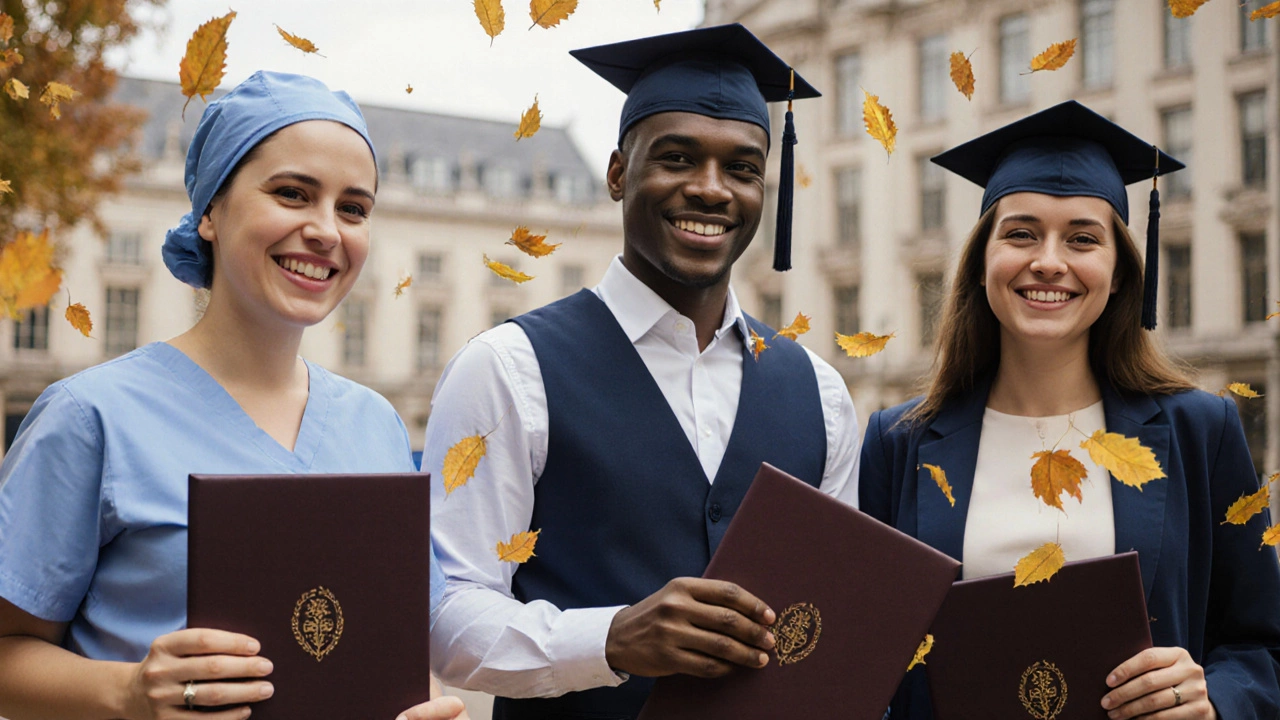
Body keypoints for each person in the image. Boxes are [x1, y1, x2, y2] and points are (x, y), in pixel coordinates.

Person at [425, 23, 861, 720]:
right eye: (678, 158)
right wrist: (610, 639)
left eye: (743, 168)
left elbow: (833, 611)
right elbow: (446, 612)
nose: (712, 190)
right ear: (619, 174)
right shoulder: (508, 370)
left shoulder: (821, 393)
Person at [0, 71, 464, 720]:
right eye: (293, 194)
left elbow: (392, 655)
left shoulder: (376, 426)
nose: (326, 230)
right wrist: (127, 694)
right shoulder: (91, 416)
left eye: (353, 208)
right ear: (210, 212)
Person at [859, 101, 1280, 719]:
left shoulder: (1200, 430)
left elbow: (1263, 645)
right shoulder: (899, 441)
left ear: (1118, 273)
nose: (1049, 260)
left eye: (1082, 238)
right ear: (982, 263)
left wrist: (1215, 699)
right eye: (1021, 233)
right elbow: (865, 649)